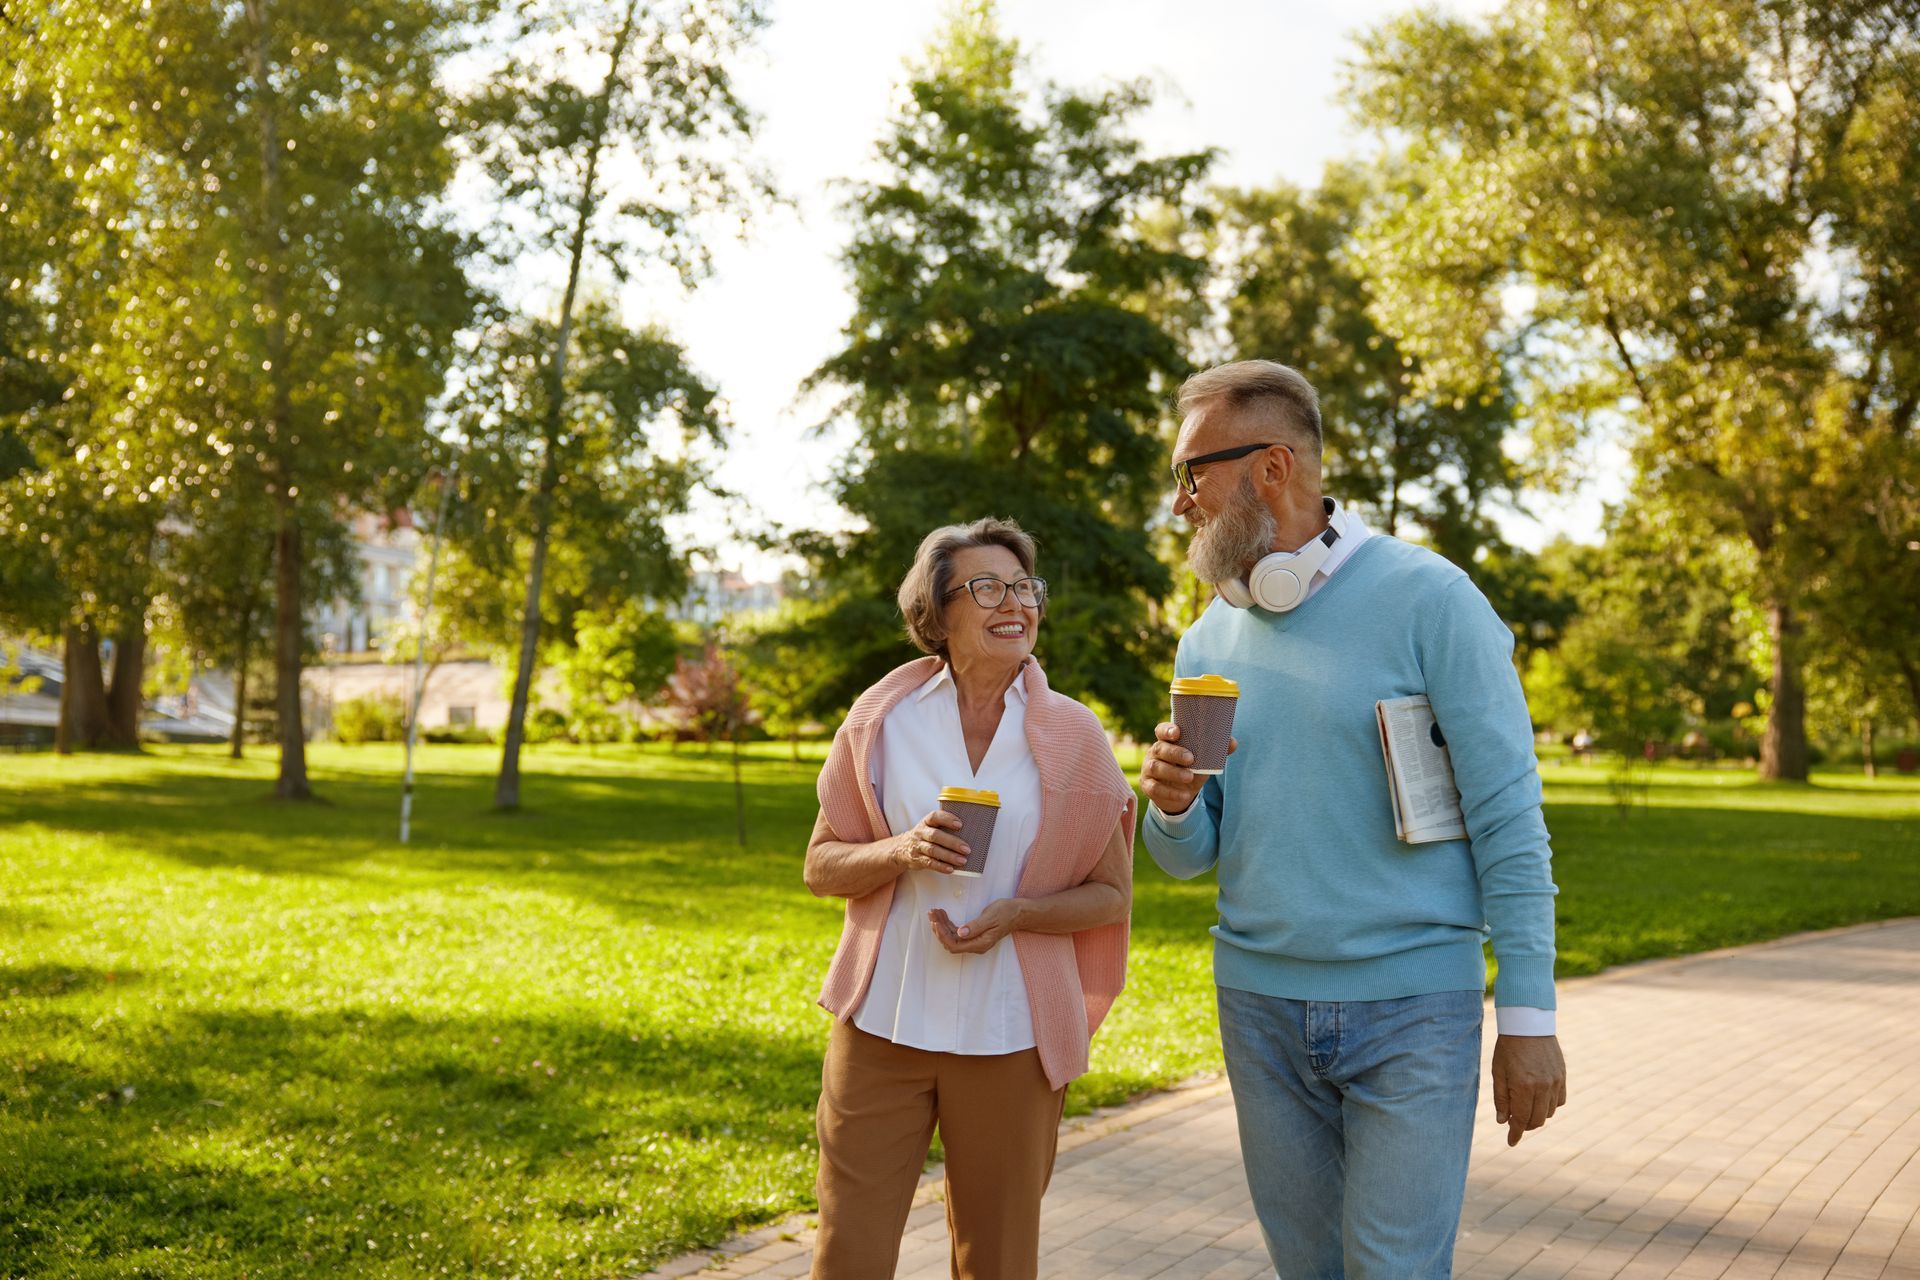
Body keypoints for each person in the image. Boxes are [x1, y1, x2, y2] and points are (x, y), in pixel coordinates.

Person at [1140, 361, 1567, 1279]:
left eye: (1191, 476)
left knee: (1393, 1270)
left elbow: (1508, 817)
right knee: (1309, 1270)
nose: (1180, 505)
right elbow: (1193, 849)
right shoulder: (1207, 636)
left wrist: (1528, 1016)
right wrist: (1173, 809)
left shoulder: (1432, 601)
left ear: (1270, 469)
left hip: (1415, 1006)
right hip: (1258, 1007)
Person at [804, 517, 1136, 1280]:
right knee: (847, 1251)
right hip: (883, 1026)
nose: (1014, 601)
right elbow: (822, 865)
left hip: (1008, 1035)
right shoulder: (884, 723)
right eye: (988, 587)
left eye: (1024, 587)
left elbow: (1110, 895)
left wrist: (1017, 915)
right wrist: (901, 849)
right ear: (937, 613)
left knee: (997, 1258)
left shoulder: (1073, 735)